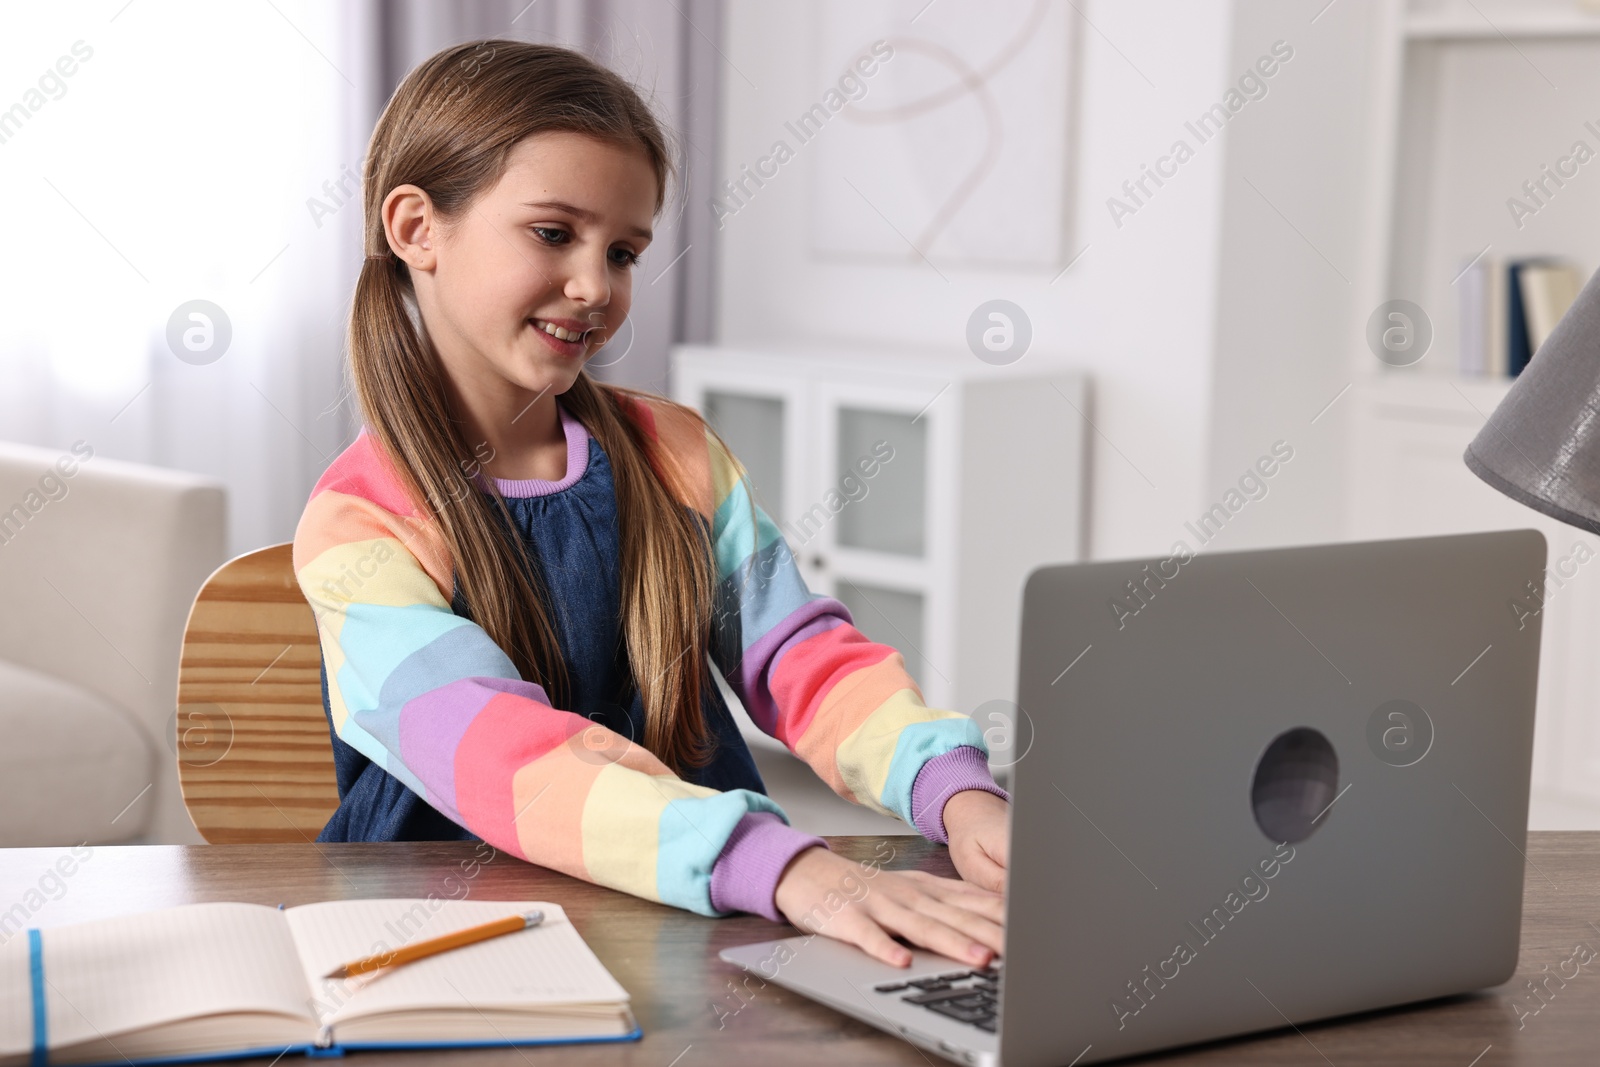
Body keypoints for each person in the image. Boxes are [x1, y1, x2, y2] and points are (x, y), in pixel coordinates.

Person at [292, 39, 1009, 969]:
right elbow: (506, 756)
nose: (595, 286)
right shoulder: (359, 519)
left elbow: (803, 658)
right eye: (554, 233)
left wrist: (949, 787)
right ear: (417, 228)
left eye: (623, 250)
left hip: (694, 920)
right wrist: (792, 866)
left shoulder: (675, 455)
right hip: (446, 936)